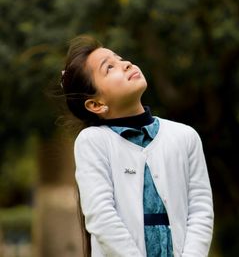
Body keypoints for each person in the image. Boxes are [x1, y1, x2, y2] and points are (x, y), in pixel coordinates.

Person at [59, 35, 214, 257]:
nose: (126, 64)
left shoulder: (185, 136)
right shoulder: (92, 142)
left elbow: (201, 210)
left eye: (120, 59)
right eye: (109, 68)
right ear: (96, 104)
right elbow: (102, 217)